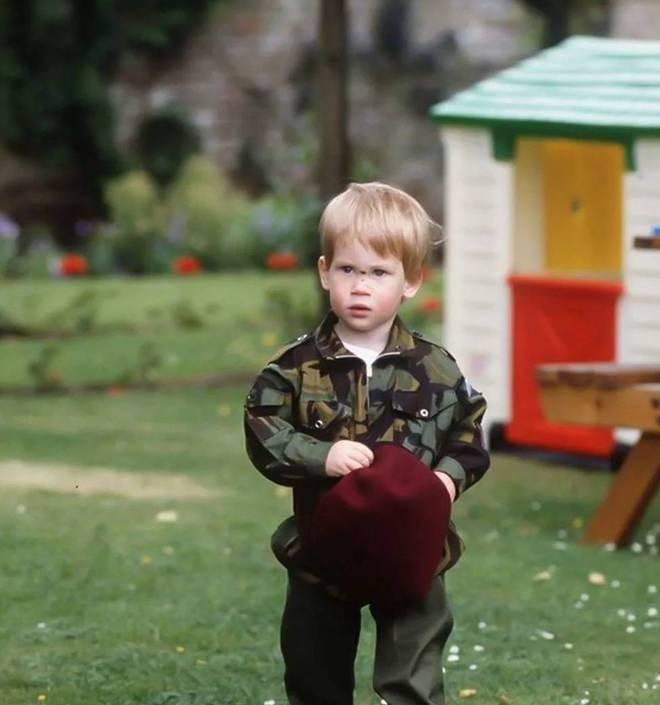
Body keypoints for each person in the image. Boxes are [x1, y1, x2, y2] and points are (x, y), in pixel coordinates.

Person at [244, 181, 490, 705]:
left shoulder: (435, 367)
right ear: (324, 272)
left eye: (379, 273)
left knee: (413, 674)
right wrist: (322, 455)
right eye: (348, 269)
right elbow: (262, 426)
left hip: (412, 546)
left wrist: (446, 481)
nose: (360, 287)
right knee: (314, 670)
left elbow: (469, 428)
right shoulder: (294, 367)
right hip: (323, 544)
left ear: (410, 282)